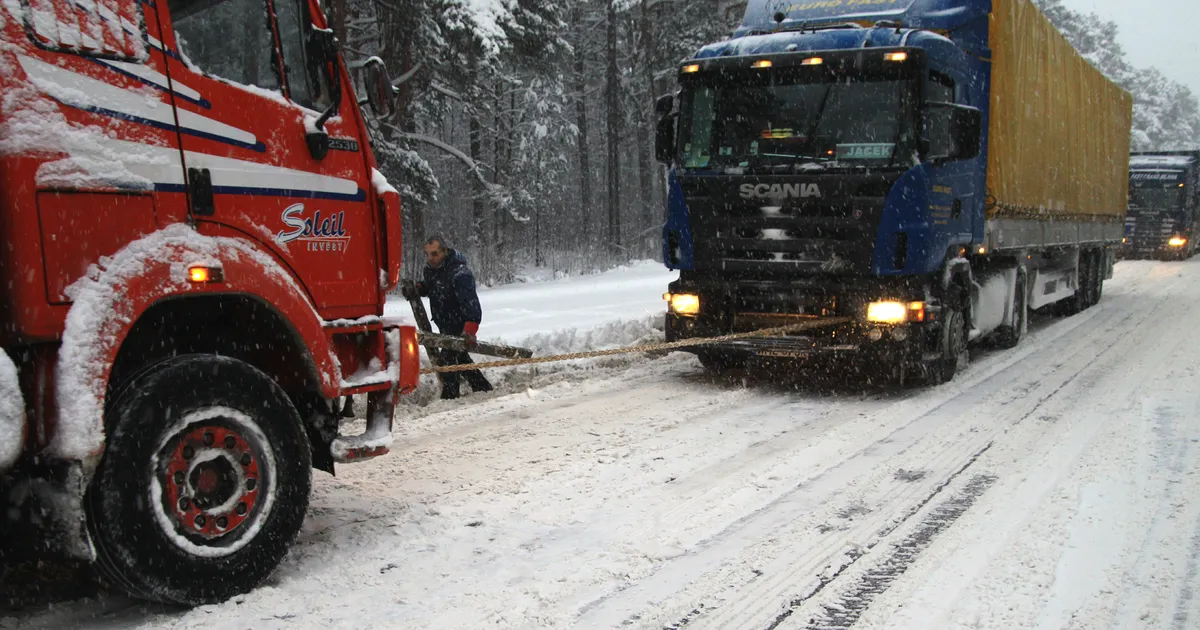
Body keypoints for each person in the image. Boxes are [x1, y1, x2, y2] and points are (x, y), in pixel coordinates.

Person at [401, 236, 493, 400]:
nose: (430, 258)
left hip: (459, 323)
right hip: (444, 323)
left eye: (434, 254)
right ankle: (483, 387)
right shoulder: (432, 270)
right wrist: (419, 288)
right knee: (460, 358)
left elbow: (470, 303)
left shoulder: (460, 274)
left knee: (448, 360)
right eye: (427, 254)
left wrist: (470, 330)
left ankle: (450, 398)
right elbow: (434, 287)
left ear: (445, 251)